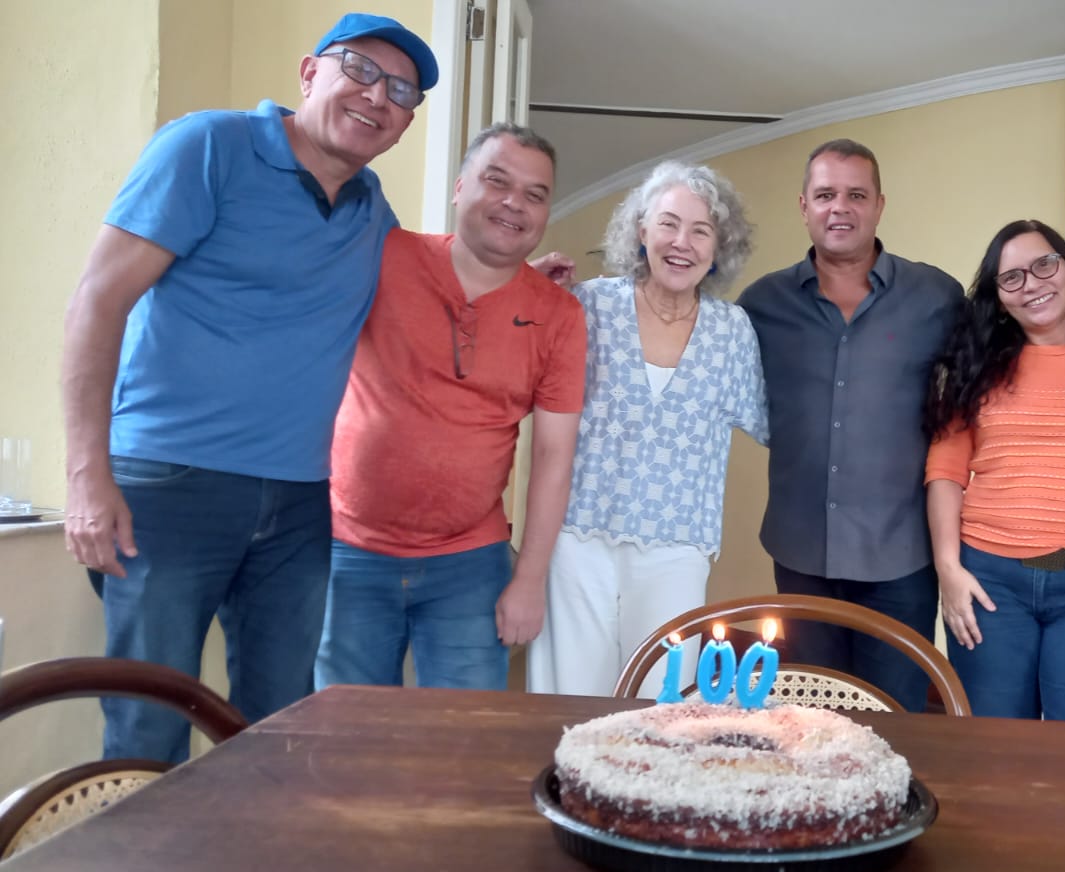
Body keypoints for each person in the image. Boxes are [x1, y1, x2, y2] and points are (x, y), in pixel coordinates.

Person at [59, 13, 436, 763]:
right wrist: (85, 476)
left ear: (401, 126)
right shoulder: (208, 147)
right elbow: (96, 302)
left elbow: (430, 285)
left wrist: (527, 281)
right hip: (169, 488)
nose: (377, 96)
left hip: (299, 503)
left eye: (400, 91)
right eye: (359, 69)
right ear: (309, 72)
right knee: (148, 720)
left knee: (277, 729)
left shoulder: (371, 210)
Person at [314, 124, 584, 692]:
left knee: (465, 746)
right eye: (497, 181)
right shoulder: (383, 256)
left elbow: (555, 455)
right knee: (343, 742)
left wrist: (529, 579)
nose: (515, 203)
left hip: (469, 567)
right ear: (460, 187)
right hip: (347, 552)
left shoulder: (558, 315)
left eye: (535, 195)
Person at [526, 160, 766, 697]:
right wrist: (527, 289)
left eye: (701, 230)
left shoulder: (732, 332)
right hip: (578, 536)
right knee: (569, 695)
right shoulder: (588, 305)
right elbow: (515, 378)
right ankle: (567, 785)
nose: (682, 242)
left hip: (678, 545)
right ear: (641, 230)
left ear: (719, 246)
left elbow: (776, 423)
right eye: (668, 223)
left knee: (663, 705)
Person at [739, 139, 962, 713]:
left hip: (902, 555)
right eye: (826, 195)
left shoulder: (937, 297)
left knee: (900, 718)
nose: (841, 208)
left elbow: (997, 369)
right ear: (804, 206)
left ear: (880, 205)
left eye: (856, 195)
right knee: (810, 715)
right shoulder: (760, 305)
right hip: (800, 550)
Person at [924, 220, 1065, 722]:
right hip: (991, 584)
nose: (1033, 284)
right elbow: (945, 471)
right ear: (998, 298)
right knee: (994, 755)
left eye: (1044, 264)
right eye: (1012, 277)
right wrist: (948, 570)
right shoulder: (978, 365)